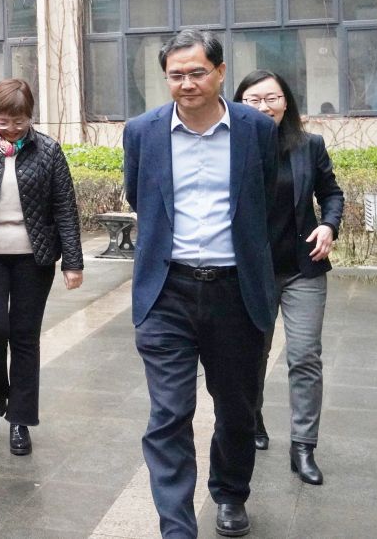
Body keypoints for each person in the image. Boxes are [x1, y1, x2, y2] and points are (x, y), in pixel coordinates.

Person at [123, 29, 279, 538]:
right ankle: (176, 527)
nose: (186, 83)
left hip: (236, 292)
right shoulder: (142, 132)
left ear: (220, 72)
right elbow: (138, 194)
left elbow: (266, 198)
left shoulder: (256, 129)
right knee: (169, 413)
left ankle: (230, 493)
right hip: (166, 290)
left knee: (236, 409)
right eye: (176, 75)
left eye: (197, 73)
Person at [0, 78, 84, 456]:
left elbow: (65, 209)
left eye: (19, 121)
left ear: (30, 117)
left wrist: (72, 262)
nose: (11, 128)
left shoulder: (49, 151)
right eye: (3, 121)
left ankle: (21, 418)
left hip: (33, 259)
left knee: (25, 337)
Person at [233, 70, 343, 485]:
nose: (264, 107)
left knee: (305, 355)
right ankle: (253, 418)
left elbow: (331, 193)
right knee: (252, 355)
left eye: (272, 98)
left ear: (286, 102)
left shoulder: (309, 146)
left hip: (302, 267)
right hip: (251, 271)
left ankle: (303, 446)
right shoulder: (230, 147)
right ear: (239, 104)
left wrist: (329, 225)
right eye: (253, 100)